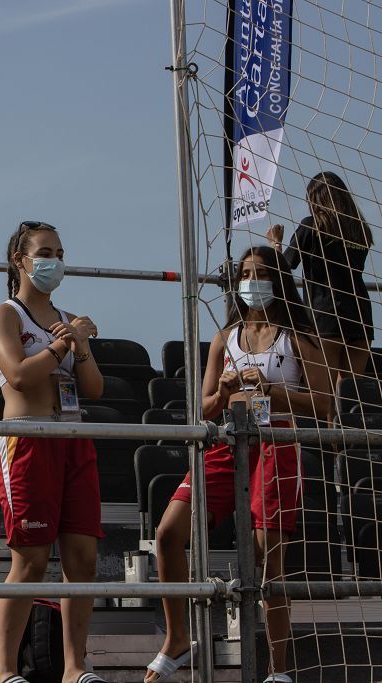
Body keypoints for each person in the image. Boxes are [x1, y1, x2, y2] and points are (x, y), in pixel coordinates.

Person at [145, 246, 331, 683]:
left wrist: (271, 388)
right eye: (246, 273)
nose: (253, 281)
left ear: (279, 280)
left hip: (276, 442)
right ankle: (176, 639)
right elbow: (203, 409)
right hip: (227, 441)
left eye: (262, 272)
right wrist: (226, 392)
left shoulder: (299, 337)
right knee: (168, 533)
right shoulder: (223, 338)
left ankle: (278, 669)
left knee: (269, 558)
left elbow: (324, 404)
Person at [0, 221, 106, 683]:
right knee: (31, 560)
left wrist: (83, 345)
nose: (53, 259)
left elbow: (92, 387)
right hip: (27, 438)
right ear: (20, 259)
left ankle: (75, 667)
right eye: (44, 251)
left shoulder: (67, 318)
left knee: (83, 561)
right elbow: (18, 375)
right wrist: (61, 344)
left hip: (74, 439)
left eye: (59, 250)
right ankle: (3, 670)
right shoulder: (6, 314)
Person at [268, 171, 375, 386]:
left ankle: (328, 422)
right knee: (350, 392)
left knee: (323, 391)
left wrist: (275, 244)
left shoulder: (311, 226)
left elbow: (282, 268)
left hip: (325, 317)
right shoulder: (360, 230)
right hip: (360, 317)